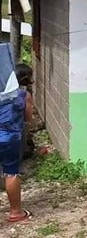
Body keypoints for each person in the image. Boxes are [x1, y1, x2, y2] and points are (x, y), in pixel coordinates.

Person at [0, 60, 34, 222]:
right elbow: (28, 119)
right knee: (11, 173)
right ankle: (15, 212)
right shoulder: (24, 95)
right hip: (10, 138)